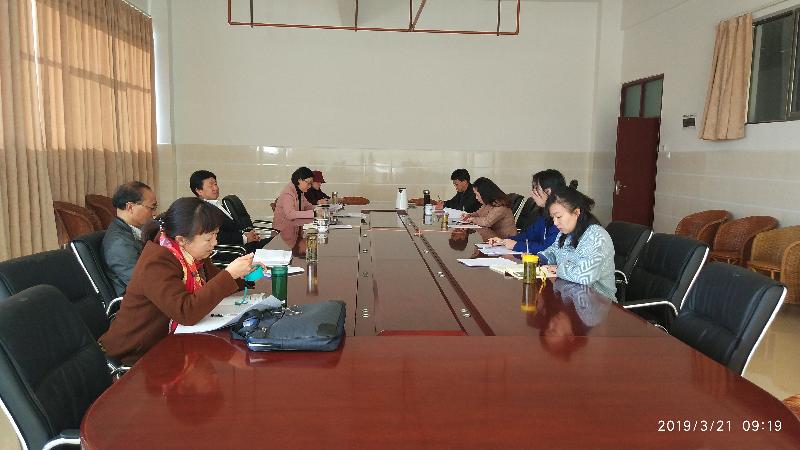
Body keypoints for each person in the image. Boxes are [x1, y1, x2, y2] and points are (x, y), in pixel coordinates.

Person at [99, 197, 256, 365]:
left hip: (172, 341)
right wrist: (229, 274)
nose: (215, 243)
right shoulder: (156, 263)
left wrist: (244, 274)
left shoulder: (192, 255)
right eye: (208, 238)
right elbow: (186, 312)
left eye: (215, 235)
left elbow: (215, 281)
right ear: (182, 239)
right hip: (137, 353)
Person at [537, 186, 616, 300]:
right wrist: (539, 259)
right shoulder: (565, 232)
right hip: (570, 295)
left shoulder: (596, 236)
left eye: (558, 216)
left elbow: (585, 277)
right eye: (553, 218)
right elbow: (553, 252)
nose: (555, 222)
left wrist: (558, 269)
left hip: (597, 302)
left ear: (576, 212)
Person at [487, 169, 575, 260]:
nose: (532, 193)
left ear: (548, 191)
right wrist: (504, 241)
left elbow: (549, 249)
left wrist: (516, 245)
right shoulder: (544, 215)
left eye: (536, 188)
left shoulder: (562, 219)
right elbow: (529, 235)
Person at [190, 170, 267, 254]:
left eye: (215, 184)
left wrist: (247, 234)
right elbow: (216, 237)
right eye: (211, 186)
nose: (215, 188)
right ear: (199, 191)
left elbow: (231, 229)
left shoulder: (218, 205)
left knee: (275, 242)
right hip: (235, 251)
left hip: (243, 245)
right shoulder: (202, 211)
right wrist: (245, 238)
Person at [103, 181, 157, 297]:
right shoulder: (119, 244)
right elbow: (143, 283)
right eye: (152, 208)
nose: (154, 213)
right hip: (139, 302)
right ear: (130, 207)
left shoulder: (135, 230)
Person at [273, 166, 316, 231]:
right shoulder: (288, 193)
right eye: (309, 183)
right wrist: (315, 213)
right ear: (299, 180)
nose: (310, 186)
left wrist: (322, 209)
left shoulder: (299, 191)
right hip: (282, 230)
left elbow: (307, 206)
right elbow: (290, 214)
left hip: (295, 227)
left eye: (311, 184)